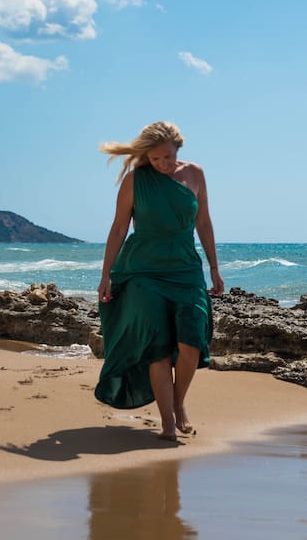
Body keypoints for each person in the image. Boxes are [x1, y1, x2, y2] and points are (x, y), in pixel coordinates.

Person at [94, 121, 224, 442]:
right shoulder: (135, 181)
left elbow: (204, 223)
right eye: (155, 159)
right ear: (146, 158)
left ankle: (179, 404)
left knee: (191, 344)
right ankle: (168, 422)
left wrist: (214, 268)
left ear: (178, 149)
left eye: (167, 157)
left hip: (185, 269)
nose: (163, 164)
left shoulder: (195, 175)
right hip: (143, 271)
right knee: (158, 347)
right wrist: (106, 274)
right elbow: (118, 229)